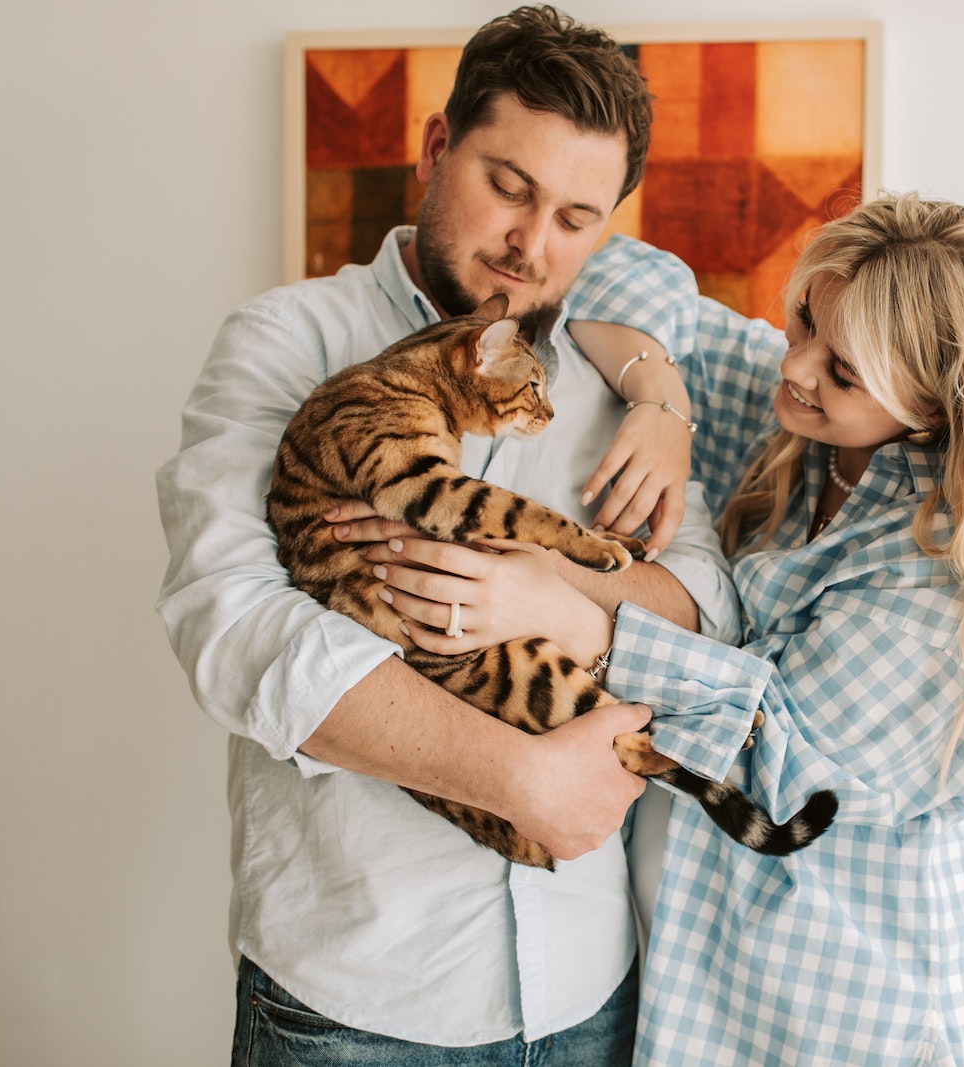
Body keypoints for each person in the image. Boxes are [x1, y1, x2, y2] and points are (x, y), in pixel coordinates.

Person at [352, 192, 964, 1064]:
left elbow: (775, 760)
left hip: (861, 1008)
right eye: (806, 319)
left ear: (928, 408)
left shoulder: (940, 579)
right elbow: (611, 266)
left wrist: (568, 606)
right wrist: (661, 400)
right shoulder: (796, 418)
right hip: (714, 986)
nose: (800, 366)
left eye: (845, 371)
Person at [154, 6, 743, 1063]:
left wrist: (562, 600)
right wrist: (517, 780)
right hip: (353, 1002)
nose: (532, 245)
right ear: (436, 148)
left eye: (575, 215)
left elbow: (708, 603)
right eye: (508, 187)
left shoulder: (620, 378)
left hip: (593, 990)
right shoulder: (288, 340)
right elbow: (232, 628)